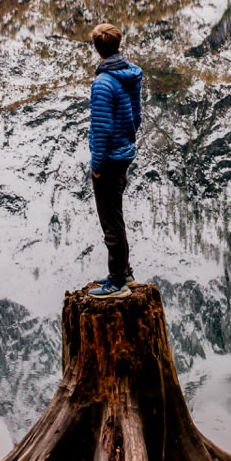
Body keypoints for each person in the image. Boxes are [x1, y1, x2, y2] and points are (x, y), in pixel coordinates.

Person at [87, 22, 142, 298]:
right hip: (124, 154)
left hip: (108, 160)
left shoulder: (103, 84)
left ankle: (117, 282)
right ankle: (125, 273)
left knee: (111, 223)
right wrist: (127, 140)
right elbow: (137, 117)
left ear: (98, 50)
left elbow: (101, 130)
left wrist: (96, 167)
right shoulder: (129, 76)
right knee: (116, 219)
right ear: (117, 45)